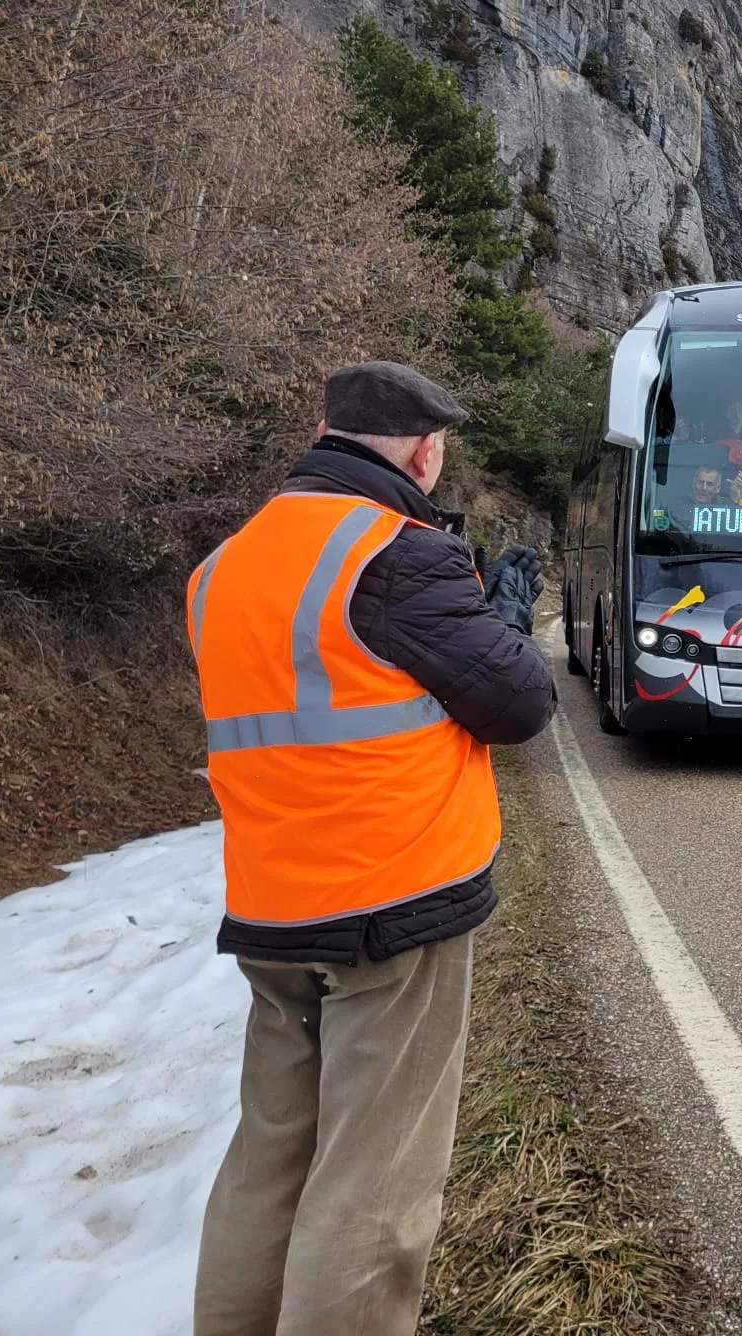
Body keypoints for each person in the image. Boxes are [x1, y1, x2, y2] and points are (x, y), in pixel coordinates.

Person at [185, 361, 557, 1336]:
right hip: (394, 909)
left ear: (322, 430)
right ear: (427, 452)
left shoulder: (225, 565)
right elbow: (518, 704)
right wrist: (504, 615)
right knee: (375, 1184)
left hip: (271, 907)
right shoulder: (396, 554)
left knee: (270, 1160)